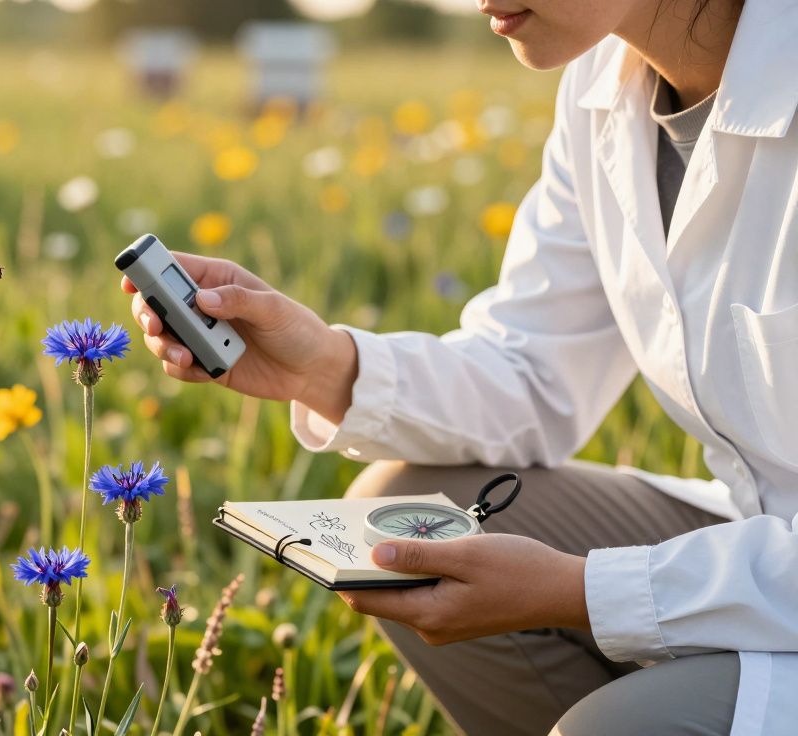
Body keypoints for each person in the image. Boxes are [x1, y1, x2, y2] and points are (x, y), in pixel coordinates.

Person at [120, 0, 798, 733]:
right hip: (761, 530)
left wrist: (580, 592)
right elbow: (535, 373)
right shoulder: (602, 83)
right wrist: (324, 367)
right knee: (412, 503)